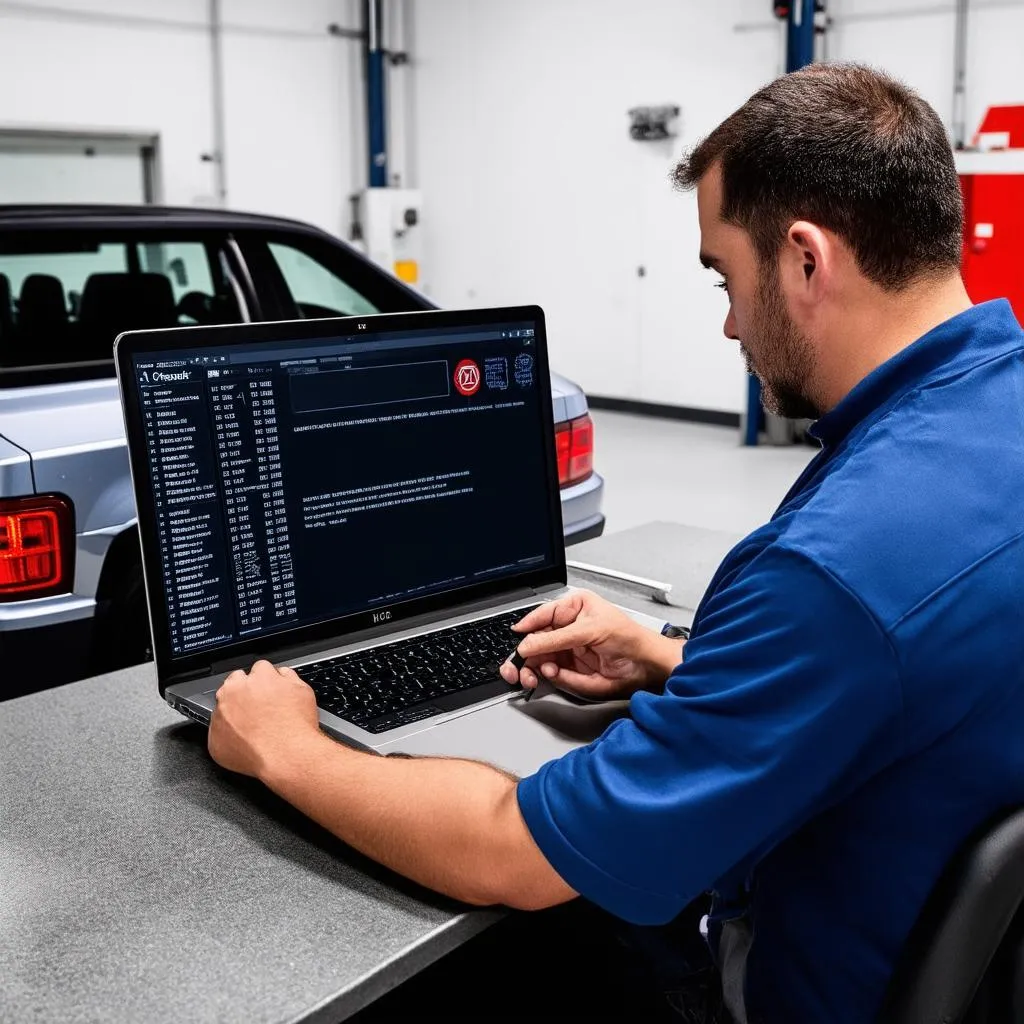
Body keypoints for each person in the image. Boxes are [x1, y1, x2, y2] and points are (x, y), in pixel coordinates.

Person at [207, 62, 1024, 1023]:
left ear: (806, 258)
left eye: (726, 275)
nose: (728, 323)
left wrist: (289, 750)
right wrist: (686, 667)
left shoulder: (832, 576)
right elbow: (905, 668)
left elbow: (511, 852)